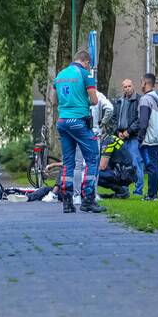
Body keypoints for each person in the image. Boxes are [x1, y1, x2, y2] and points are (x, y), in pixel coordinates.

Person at [52, 50, 106, 213]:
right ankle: (88, 199)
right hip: (78, 122)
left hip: (62, 122)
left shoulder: (60, 75)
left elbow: (54, 100)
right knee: (92, 158)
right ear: (86, 62)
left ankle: (67, 202)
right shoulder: (85, 74)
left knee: (68, 162)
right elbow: (95, 100)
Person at [116, 78, 158, 198]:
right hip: (128, 137)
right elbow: (115, 118)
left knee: (144, 163)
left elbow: (141, 121)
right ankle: (133, 190)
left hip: (138, 137)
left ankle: (144, 191)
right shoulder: (119, 101)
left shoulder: (142, 99)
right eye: (125, 87)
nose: (127, 88)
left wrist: (134, 134)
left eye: (129, 86)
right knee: (148, 164)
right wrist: (118, 131)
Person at [136, 73, 158, 201]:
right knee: (155, 165)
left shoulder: (145, 99)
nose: (141, 85)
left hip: (150, 139)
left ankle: (151, 194)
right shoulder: (157, 98)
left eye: (141, 82)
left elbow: (143, 122)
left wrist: (140, 138)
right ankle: (154, 194)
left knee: (151, 167)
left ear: (145, 83)